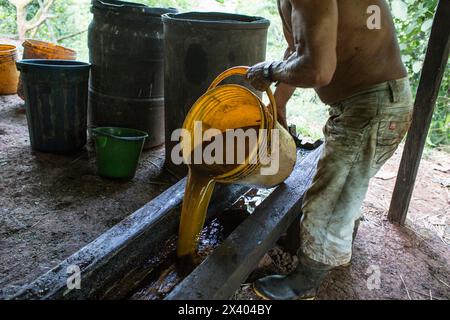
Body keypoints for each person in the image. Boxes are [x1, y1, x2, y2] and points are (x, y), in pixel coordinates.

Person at [246, 0, 413, 300]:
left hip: (373, 104)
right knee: (344, 181)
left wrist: (270, 71)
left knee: (329, 197)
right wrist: (279, 104)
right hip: (368, 101)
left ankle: (306, 280)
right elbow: (301, 51)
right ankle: (342, 235)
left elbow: (317, 69)